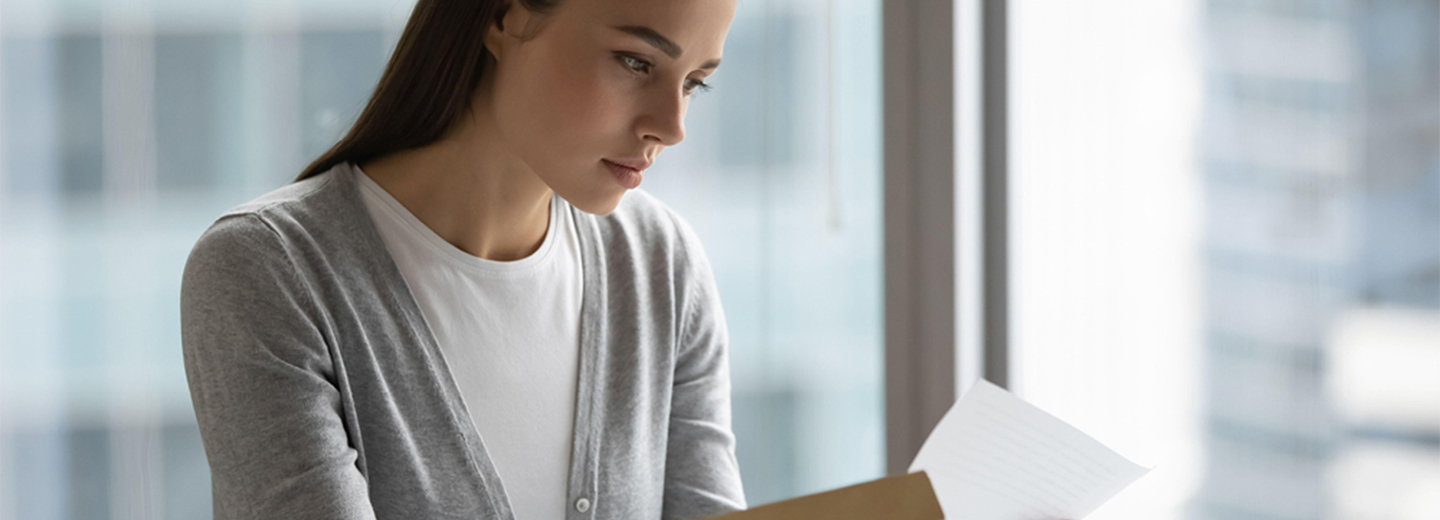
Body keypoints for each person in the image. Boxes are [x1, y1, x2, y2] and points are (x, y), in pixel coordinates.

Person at [179, 0, 741, 518]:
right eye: (636, 62)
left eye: (695, 83)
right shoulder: (269, 272)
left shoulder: (660, 267)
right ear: (504, 16)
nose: (672, 127)